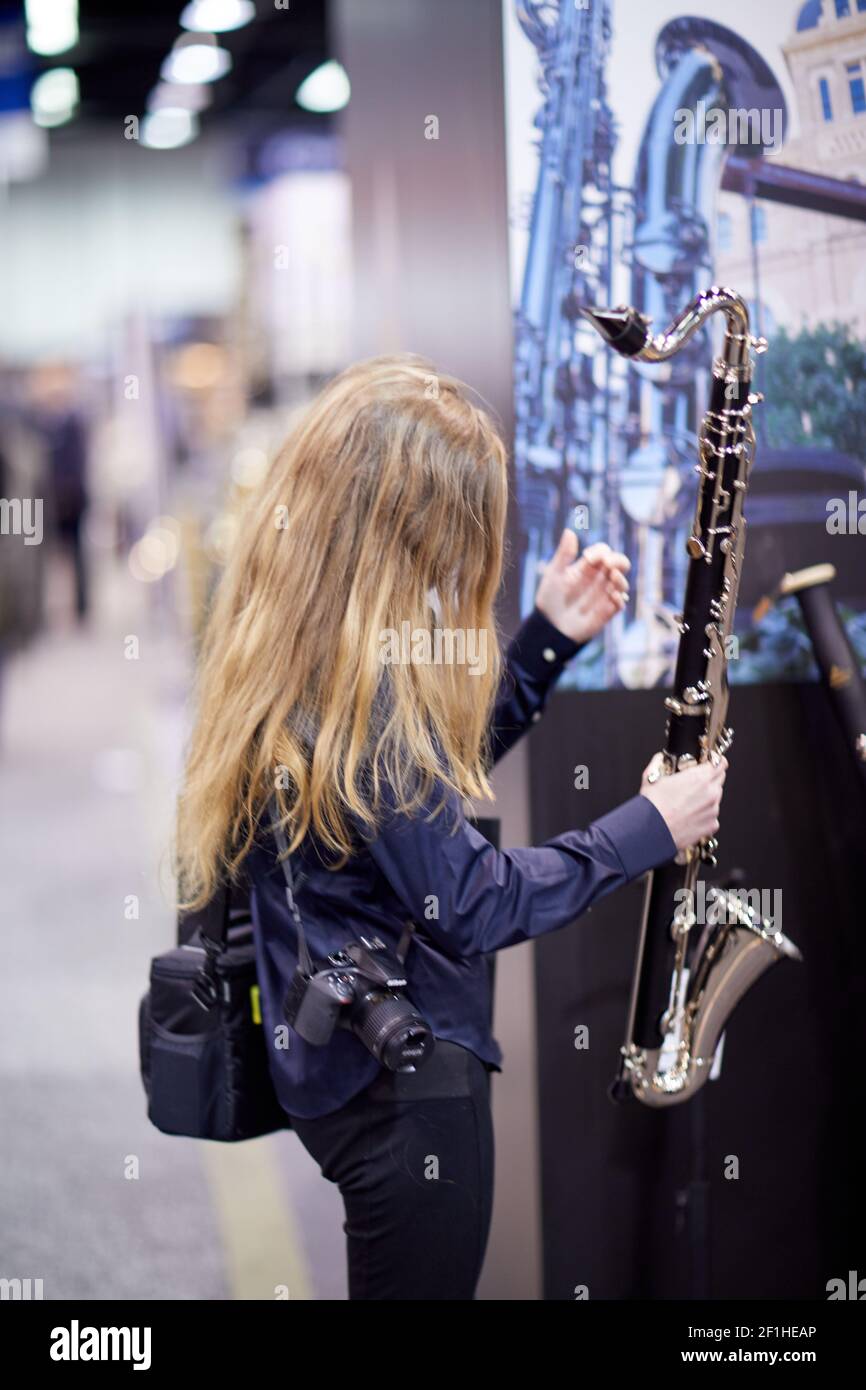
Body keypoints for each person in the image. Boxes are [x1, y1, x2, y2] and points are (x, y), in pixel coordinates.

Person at [175, 356, 725, 1301]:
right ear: (409, 537)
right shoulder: (370, 687)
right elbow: (468, 897)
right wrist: (650, 827)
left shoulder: (290, 640)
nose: (470, 563)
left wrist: (546, 641)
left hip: (328, 1062)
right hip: (401, 1096)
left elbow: (398, 808)